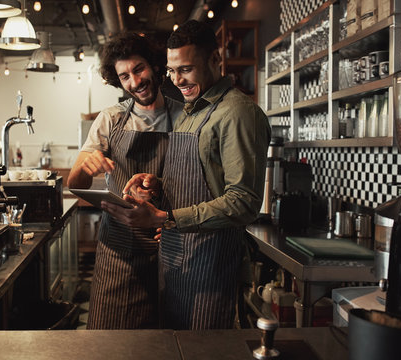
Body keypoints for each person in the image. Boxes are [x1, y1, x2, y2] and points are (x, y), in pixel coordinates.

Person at [101, 20, 271, 330]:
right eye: (171, 71)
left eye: (186, 69)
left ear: (215, 60)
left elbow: (244, 202)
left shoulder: (237, 113)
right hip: (176, 262)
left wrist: (165, 217)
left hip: (211, 266)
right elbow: (200, 181)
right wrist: (158, 184)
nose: (177, 80)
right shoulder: (192, 111)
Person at [67, 32, 183, 329]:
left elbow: (194, 181)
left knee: (165, 341)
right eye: (124, 76)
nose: (134, 82)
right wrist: (86, 166)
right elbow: (74, 183)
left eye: (138, 69)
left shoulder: (184, 118)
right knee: (110, 340)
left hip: (169, 244)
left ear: (155, 66)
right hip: (118, 250)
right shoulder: (111, 119)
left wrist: (168, 210)